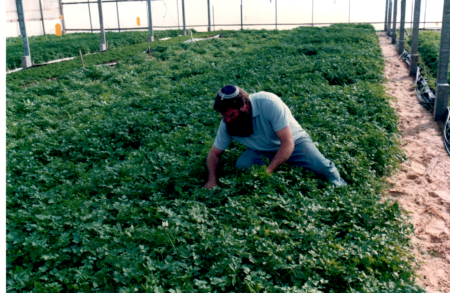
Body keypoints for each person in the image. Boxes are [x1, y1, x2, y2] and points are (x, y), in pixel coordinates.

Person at [203, 85, 347, 188]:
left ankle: (341, 187)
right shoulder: (227, 123)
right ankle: (281, 163)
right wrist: (212, 180)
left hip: (294, 142)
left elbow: (287, 142)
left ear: (244, 106)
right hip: (261, 150)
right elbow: (214, 154)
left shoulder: (269, 102)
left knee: (322, 168)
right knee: (242, 167)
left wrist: (269, 170)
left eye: (231, 115)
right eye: (224, 116)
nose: (227, 120)